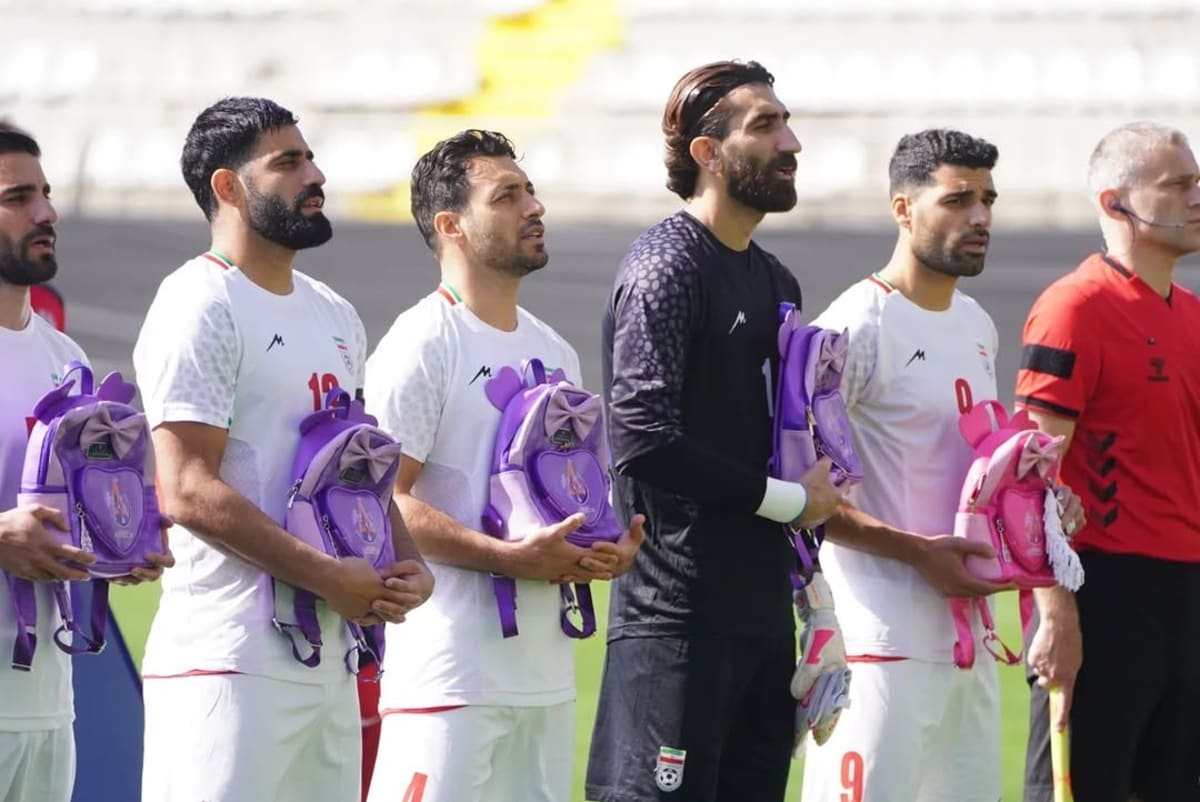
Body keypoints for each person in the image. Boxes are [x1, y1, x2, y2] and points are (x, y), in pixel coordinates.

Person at [133, 97, 432, 802]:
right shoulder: (198, 302)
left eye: (310, 156)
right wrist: (327, 575)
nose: (315, 174)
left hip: (326, 661)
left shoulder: (334, 312)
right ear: (228, 188)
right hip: (226, 661)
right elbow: (186, 489)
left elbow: (356, 469)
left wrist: (407, 563)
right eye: (288, 162)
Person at [798, 129, 1084, 802]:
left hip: (973, 643)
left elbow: (978, 477)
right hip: (878, 639)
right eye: (957, 199)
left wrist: (1043, 509)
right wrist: (916, 552)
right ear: (903, 208)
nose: (980, 217)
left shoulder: (977, 324)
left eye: (987, 199)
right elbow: (803, 490)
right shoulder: (853, 326)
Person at [585, 60, 844, 802]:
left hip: (764, 616)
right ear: (706, 152)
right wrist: (788, 502)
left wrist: (811, 591)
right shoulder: (666, 265)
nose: (790, 141)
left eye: (786, 122)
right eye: (765, 125)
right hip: (677, 621)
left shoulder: (775, 280)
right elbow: (640, 435)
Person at [363, 129, 643, 802]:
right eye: (508, 196)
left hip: (544, 682)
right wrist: (508, 558)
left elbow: (559, 506)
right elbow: (383, 500)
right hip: (449, 678)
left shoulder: (554, 350)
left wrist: (597, 551)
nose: (534, 207)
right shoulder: (422, 342)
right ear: (451, 225)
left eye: (532, 192)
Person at [1019, 122, 1200, 802]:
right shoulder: (1075, 307)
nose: (1196, 195)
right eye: (1178, 184)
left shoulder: (1192, 315)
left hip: (1185, 594)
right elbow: (1029, 480)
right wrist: (1055, 614)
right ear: (1116, 202)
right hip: (1103, 589)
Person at [0, 121, 169, 802]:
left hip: (46, 705)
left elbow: (66, 514)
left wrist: (118, 546)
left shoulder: (65, 360)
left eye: (44, 193)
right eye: (17, 197)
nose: (46, 213)